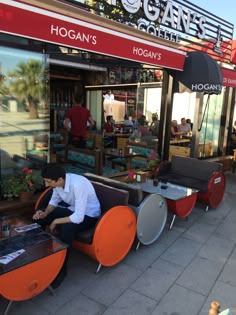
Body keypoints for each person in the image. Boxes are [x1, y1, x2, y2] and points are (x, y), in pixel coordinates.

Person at [33, 163, 101, 288]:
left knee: (66, 229)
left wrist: (55, 221)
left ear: (59, 179)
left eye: (48, 182)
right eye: (45, 181)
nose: (46, 185)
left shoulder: (78, 184)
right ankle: (37, 254)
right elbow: (53, 201)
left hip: (89, 215)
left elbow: (79, 217)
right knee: (39, 217)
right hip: (73, 210)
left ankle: (60, 271)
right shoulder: (59, 183)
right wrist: (45, 213)